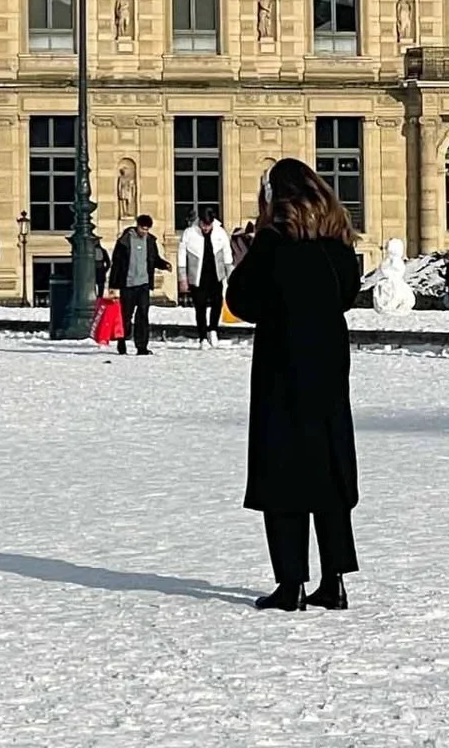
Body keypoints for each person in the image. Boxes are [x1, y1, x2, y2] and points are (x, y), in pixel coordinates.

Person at [225, 159, 361, 613]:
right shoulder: (337, 247)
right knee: (328, 470)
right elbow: (345, 295)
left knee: (282, 470)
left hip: (282, 368)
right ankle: (334, 579)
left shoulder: (273, 245)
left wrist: (245, 261)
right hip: (327, 368)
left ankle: (290, 584)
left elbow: (243, 302)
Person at [109, 215, 170, 356]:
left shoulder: (150, 241)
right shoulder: (124, 241)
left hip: (143, 284)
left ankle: (142, 346)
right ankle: (122, 341)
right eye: (143, 228)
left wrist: (164, 265)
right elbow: (116, 264)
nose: (145, 231)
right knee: (126, 316)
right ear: (137, 226)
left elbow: (154, 259)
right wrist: (113, 285)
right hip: (128, 284)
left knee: (143, 315)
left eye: (147, 229)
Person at [179, 206, 234, 346]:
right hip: (197, 275)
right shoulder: (189, 233)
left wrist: (230, 275)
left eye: (208, 225)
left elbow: (227, 254)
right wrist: (183, 278)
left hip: (215, 274)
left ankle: (213, 329)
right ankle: (202, 336)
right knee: (200, 306)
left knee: (217, 303)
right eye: (204, 224)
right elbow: (181, 256)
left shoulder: (220, 232)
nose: (206, 228)